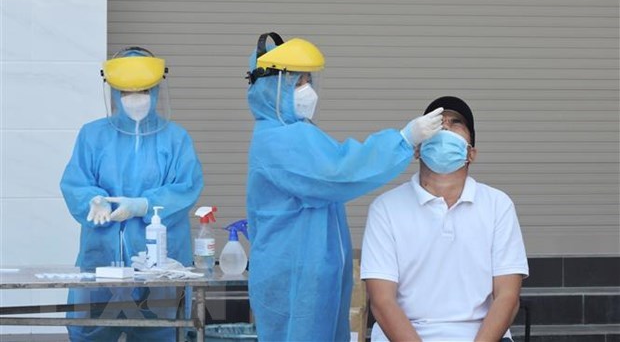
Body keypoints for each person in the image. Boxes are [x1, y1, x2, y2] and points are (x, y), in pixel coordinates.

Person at [245, 32, 445, 342]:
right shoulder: (278, 139)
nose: (307, 91)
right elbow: (340, 172)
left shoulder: (300, 132)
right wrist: (403, 139)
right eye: (298, 83)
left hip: (312, 268)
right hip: (295, 273)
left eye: (309, 81)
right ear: (273, 88)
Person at [60, 46, 204, 342]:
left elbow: (186, 187)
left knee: (162, 331)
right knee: (93, 330)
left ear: (155, 90)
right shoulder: (93, 135)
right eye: (126, 92)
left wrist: (143, 205)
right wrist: (93, 199)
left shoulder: (175, 138)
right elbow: (75, 181)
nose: (135, 99)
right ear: (113, 91)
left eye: (143, 90)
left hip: (160, 264)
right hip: (101, 260)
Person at [361, 96, 529, 342]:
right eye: (437, 123)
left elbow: (508, 296)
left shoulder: (498, 205)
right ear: (417, 149)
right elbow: (382, 301)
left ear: (471, 154)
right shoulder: (386, 208)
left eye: (456, 122)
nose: (446, 127)